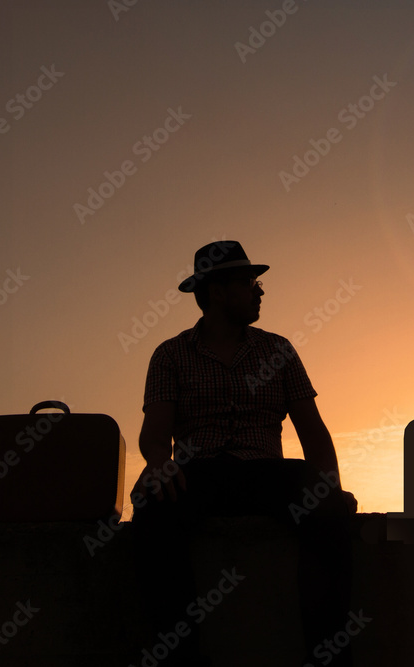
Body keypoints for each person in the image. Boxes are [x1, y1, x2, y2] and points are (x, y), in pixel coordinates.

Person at [131, 240, 357, 667]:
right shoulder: (170, 355)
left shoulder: (279, 350)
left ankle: (329, 657)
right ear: (217, 291)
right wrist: (160, 464)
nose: (260, 291)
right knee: (151, 506)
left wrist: (333, 489)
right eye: (249, 282)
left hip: (266, 471)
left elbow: (314, 433)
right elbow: (155, 435)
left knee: (328, 510)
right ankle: (177, 657)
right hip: (197, 472)